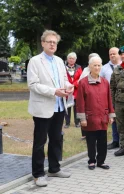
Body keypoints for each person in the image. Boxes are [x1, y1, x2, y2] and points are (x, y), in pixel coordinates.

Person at [27, 30, 73, 187]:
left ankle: (54, 168)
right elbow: (33, 85)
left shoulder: (59, 61)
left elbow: (64, 80)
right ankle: (38, 174)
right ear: (43, 43)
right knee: (40, 142)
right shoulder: (35, 61)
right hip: (43, 108)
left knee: (56, 139)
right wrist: (54, 91)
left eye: (54, 42)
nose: (52, 44)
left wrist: (69, 86)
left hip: (59, 106)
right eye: (49, 41)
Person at [76, 56, 115, 170]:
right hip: (90, 117)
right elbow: (80, 102)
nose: (97, 67)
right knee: (91, 141)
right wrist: (82, 118)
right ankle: (91, 161)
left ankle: (101, 161)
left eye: (99, 65)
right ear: (89, 67)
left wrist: (111, 115)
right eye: (95, 65)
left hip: (103, 116)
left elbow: (109, 99)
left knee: (102, 141)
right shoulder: (83, 83)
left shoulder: (105, 82)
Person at [100, 47, 122, 150]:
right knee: (113, 119)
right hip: (110, 98)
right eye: (110, 54)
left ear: (119, 54)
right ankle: (115, 141)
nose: (112, 56)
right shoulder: (104, 68)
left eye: (114, 54)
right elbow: (100, 82)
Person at [78, 53, 100, 140]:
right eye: (90, 59)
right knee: (84, 115)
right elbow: (80, 80)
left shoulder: (99, 68)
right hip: (86, 95)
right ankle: (85, 134)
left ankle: (95, 134)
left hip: (96, 96)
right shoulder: (86, 69)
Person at [64, 52, 82, 128]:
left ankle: (77, 122)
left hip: (76, 90)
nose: (71, 60)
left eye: (73, 58)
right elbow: (62, 77)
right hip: (67, 90)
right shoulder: (63, 67)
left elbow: (81, 78)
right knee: (67, 107)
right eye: (70, 58)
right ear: (67, 59)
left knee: (76, 107)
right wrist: (68, 85)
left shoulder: (79, 67)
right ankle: (67, 123)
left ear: (75, 59)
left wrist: (74, 85)